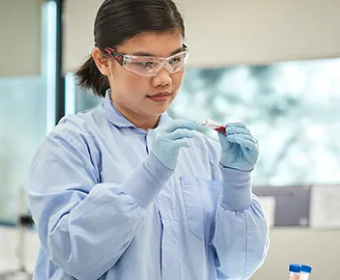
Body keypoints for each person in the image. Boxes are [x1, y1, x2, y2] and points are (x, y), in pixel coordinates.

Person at [27, 0, 269, 279]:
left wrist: (238, 185)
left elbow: (237, 268)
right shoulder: (71, 144)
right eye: (146, 63)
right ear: (103, 60)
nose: (165, 78)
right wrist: (151, 174)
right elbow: (74, 255)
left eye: (175, 60)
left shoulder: (203, 151)